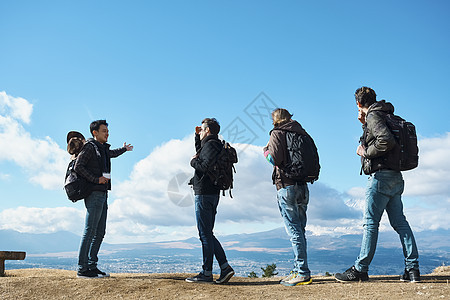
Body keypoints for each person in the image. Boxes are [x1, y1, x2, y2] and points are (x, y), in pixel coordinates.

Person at [334, 87, 420, 282]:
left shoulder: (374, 116)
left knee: (370, 224)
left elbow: (385, 141)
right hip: (396, 178)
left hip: (380, 178)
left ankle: (360, 269)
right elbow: (379, 138)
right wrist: (364, 124)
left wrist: (364, 153)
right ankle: (412, 270)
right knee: (400, 223)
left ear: (358, 103)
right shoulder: (386, 114)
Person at [74, 120, 133, 278]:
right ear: (95, 133)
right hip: (93, 193)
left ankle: (92, 266)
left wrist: (124, 149)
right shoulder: (89, 147)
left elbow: (112, 153)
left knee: (100, 232)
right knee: (90, 231)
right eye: (104, 131)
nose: (107, 133)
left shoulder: (103, 148)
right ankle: (82, 268)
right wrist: (96, 179)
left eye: (107, 130)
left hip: (103, 193)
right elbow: (78, 166)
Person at [263, 108, 313, 286]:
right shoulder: (301, 132)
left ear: (275, 120)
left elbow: (275, 159)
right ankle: (299, 268)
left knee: (294, 231)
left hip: (286, 185)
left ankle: (302, 272)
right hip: (303, 186)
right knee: (300, 230)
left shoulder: (278, 133)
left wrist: (266, 153)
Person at [185, 118, 234, 284]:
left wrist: (192, 161)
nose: (200, 132)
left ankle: (207, 273)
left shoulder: (211, 145)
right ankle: (225, 267)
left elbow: (203, 165)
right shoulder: (213, 144)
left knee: (204, 234)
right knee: (207, 233)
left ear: (207, 130)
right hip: (211, 193)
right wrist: (196, 136)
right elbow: (202, 152)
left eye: (202, 130)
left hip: (205, 193)